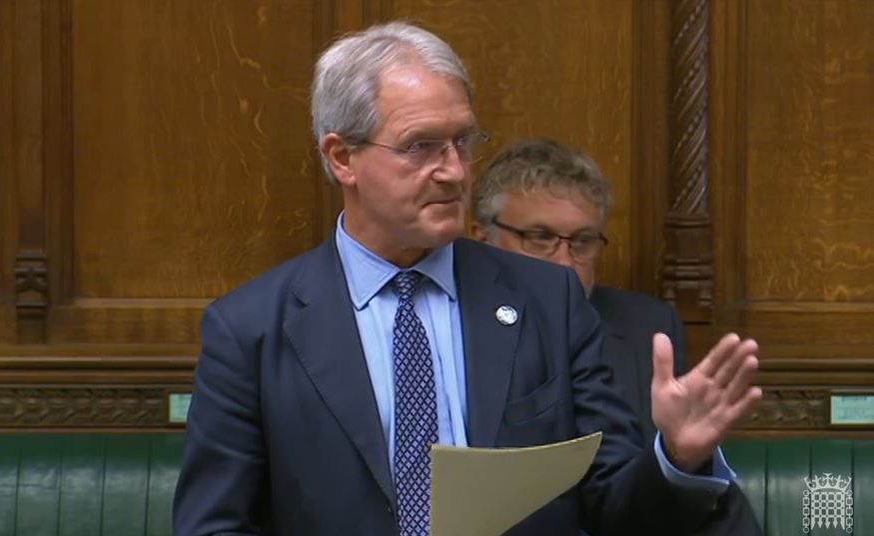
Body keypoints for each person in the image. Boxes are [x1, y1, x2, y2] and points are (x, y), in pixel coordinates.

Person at [174, 21, 762, 536]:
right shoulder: (250, 329)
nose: (454, 171)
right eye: (420, 147)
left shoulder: (547, 302)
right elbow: (215, 524)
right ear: (342, 158)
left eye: (463, 142)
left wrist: (679, 458)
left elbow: (613, 510)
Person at [471, 139, 687, 445]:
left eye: (582, 241)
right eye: (540, 237)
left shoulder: (649, 329)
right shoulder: (448, 329)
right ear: (482, 241)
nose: (564, 263)